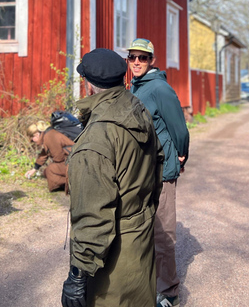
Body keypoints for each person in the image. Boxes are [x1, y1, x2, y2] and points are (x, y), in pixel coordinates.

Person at [61, 48, 163, 307]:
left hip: (114, 255)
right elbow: (157, 162)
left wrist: (77, 276)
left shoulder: (97, 139)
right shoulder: (135, 107)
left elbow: (94, 214)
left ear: (88, 84)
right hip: (140, 234)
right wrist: (145, 209)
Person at [127, 38, 189, 307]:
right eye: (132, 57)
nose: (137, 62)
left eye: (143, 58)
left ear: (151, 60)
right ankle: (151, 282)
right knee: (146, 227)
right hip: (144, 169)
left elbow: (180, 129)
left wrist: (182, 153)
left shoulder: (160, 89)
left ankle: (170, 292)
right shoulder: (135, 87)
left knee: (163, 232)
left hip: (162, 169)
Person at [23, 120, 75, 192]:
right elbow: (44, 154)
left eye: (32, 138)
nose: (32, 141)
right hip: (72, 160)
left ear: (37, 134)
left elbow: (59, 158)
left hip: (75, 162)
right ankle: (68, 182)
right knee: (46, 172)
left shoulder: (50, 137)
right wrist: (34, 169)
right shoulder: (48, 135)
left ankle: (72, 183)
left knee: (50, 170)